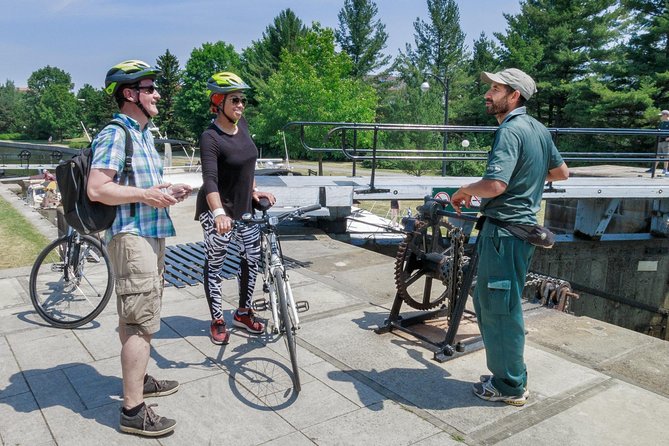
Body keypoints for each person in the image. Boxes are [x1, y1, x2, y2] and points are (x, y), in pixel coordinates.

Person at [451, 68, 569, 406]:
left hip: (504, 233)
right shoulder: (538, 129)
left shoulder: (510, 131)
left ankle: (510, 386)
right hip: (519, 234)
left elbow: (495, 186)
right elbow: (561, 173)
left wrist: (463, 191)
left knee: (498, 309)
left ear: (513, 95)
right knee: (497, 303)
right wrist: (529, 176)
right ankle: (507, 376)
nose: (488, 95)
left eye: (495, 89)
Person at [87, 59, 192, 436]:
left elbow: (137, 189)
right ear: (130, 94)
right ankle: (133, 410)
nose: (157, 94)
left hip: (148, 233)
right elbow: (98, 188)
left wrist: (164, 191)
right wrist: (147, 195)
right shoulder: (117, 134)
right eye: (150, 89)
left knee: (136, 316)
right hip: (131, 237)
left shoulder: (143, 133)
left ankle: (139, 379)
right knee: (139, 324)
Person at [195, 72, 276, 345]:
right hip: (217, 210)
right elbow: (209, 180)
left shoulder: (243, 126)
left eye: (243, 100)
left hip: (244, 209)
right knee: (215, 265)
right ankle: (217, 319)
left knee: (251, 260)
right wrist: (218, 213)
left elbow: (247, 163)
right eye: (235, 100)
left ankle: (243, 311)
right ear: (218, 102)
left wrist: (254, 191)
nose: (241, 105)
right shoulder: (210, 137)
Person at [654, 110, 669, 176]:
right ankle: (653, 169)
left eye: (661, 115)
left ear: (665, 115)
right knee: (657, 155)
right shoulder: (662, 123)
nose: (660, 117)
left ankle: (665, 170)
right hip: (660, 141)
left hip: (666, 142)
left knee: (666, 156)